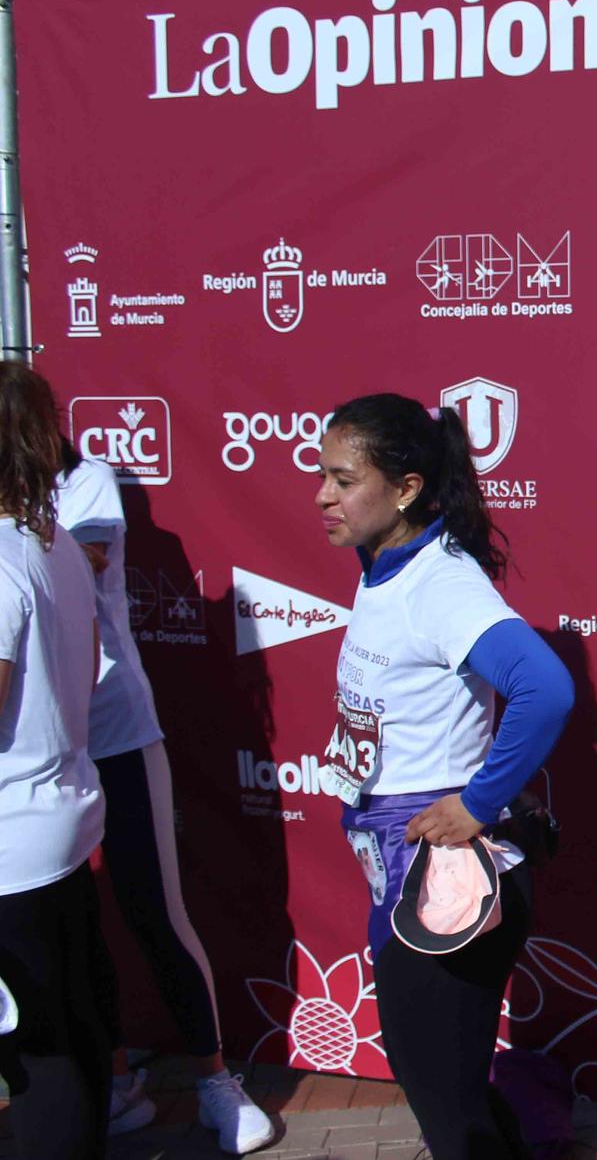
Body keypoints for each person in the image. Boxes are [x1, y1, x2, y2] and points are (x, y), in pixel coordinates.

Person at [314, 394, 573, 1159]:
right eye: (322, 475)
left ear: (406, 488)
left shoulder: (440, 583)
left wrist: (476, 800)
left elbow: (546, 688)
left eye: (342, 478)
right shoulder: (384, 567)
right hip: (396, 866)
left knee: (447, 1105)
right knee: (446, 1091)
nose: (322, 496)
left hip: (445, 877)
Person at [55, 436, 276, 1152]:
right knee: (68, 919)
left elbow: (79, 571)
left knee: (153, 906)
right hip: (34, 746)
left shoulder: (82, 481)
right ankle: (115, 1079)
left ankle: (215, 1080)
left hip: (115, 728)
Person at [0, 361, 113, 1157]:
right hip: (61, 826)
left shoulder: (7, 558)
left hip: (13, 846)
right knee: (69, 1033)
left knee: (37, 1049)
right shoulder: (58, 546)